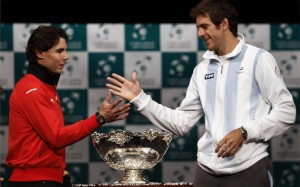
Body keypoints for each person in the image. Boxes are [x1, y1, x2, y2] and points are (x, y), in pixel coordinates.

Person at [105, 0, 296, 186]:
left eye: (204, 27)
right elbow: (182, 123)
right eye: (198, 28)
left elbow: (287, 111)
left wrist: (245, 132)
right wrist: (140, 99)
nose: (199, 33)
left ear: (224, 24)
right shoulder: (202, 69)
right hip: (206, 173)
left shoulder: (259, 59)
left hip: (249, 169)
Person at [6, 25, 130, 187]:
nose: (66, 57)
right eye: (59, 51)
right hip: (34, 181)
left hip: (47, 179)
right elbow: (57, 137)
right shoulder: (32, 89)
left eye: (65, 50)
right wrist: (99, 118)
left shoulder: (44, 87)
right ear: (39, 53)